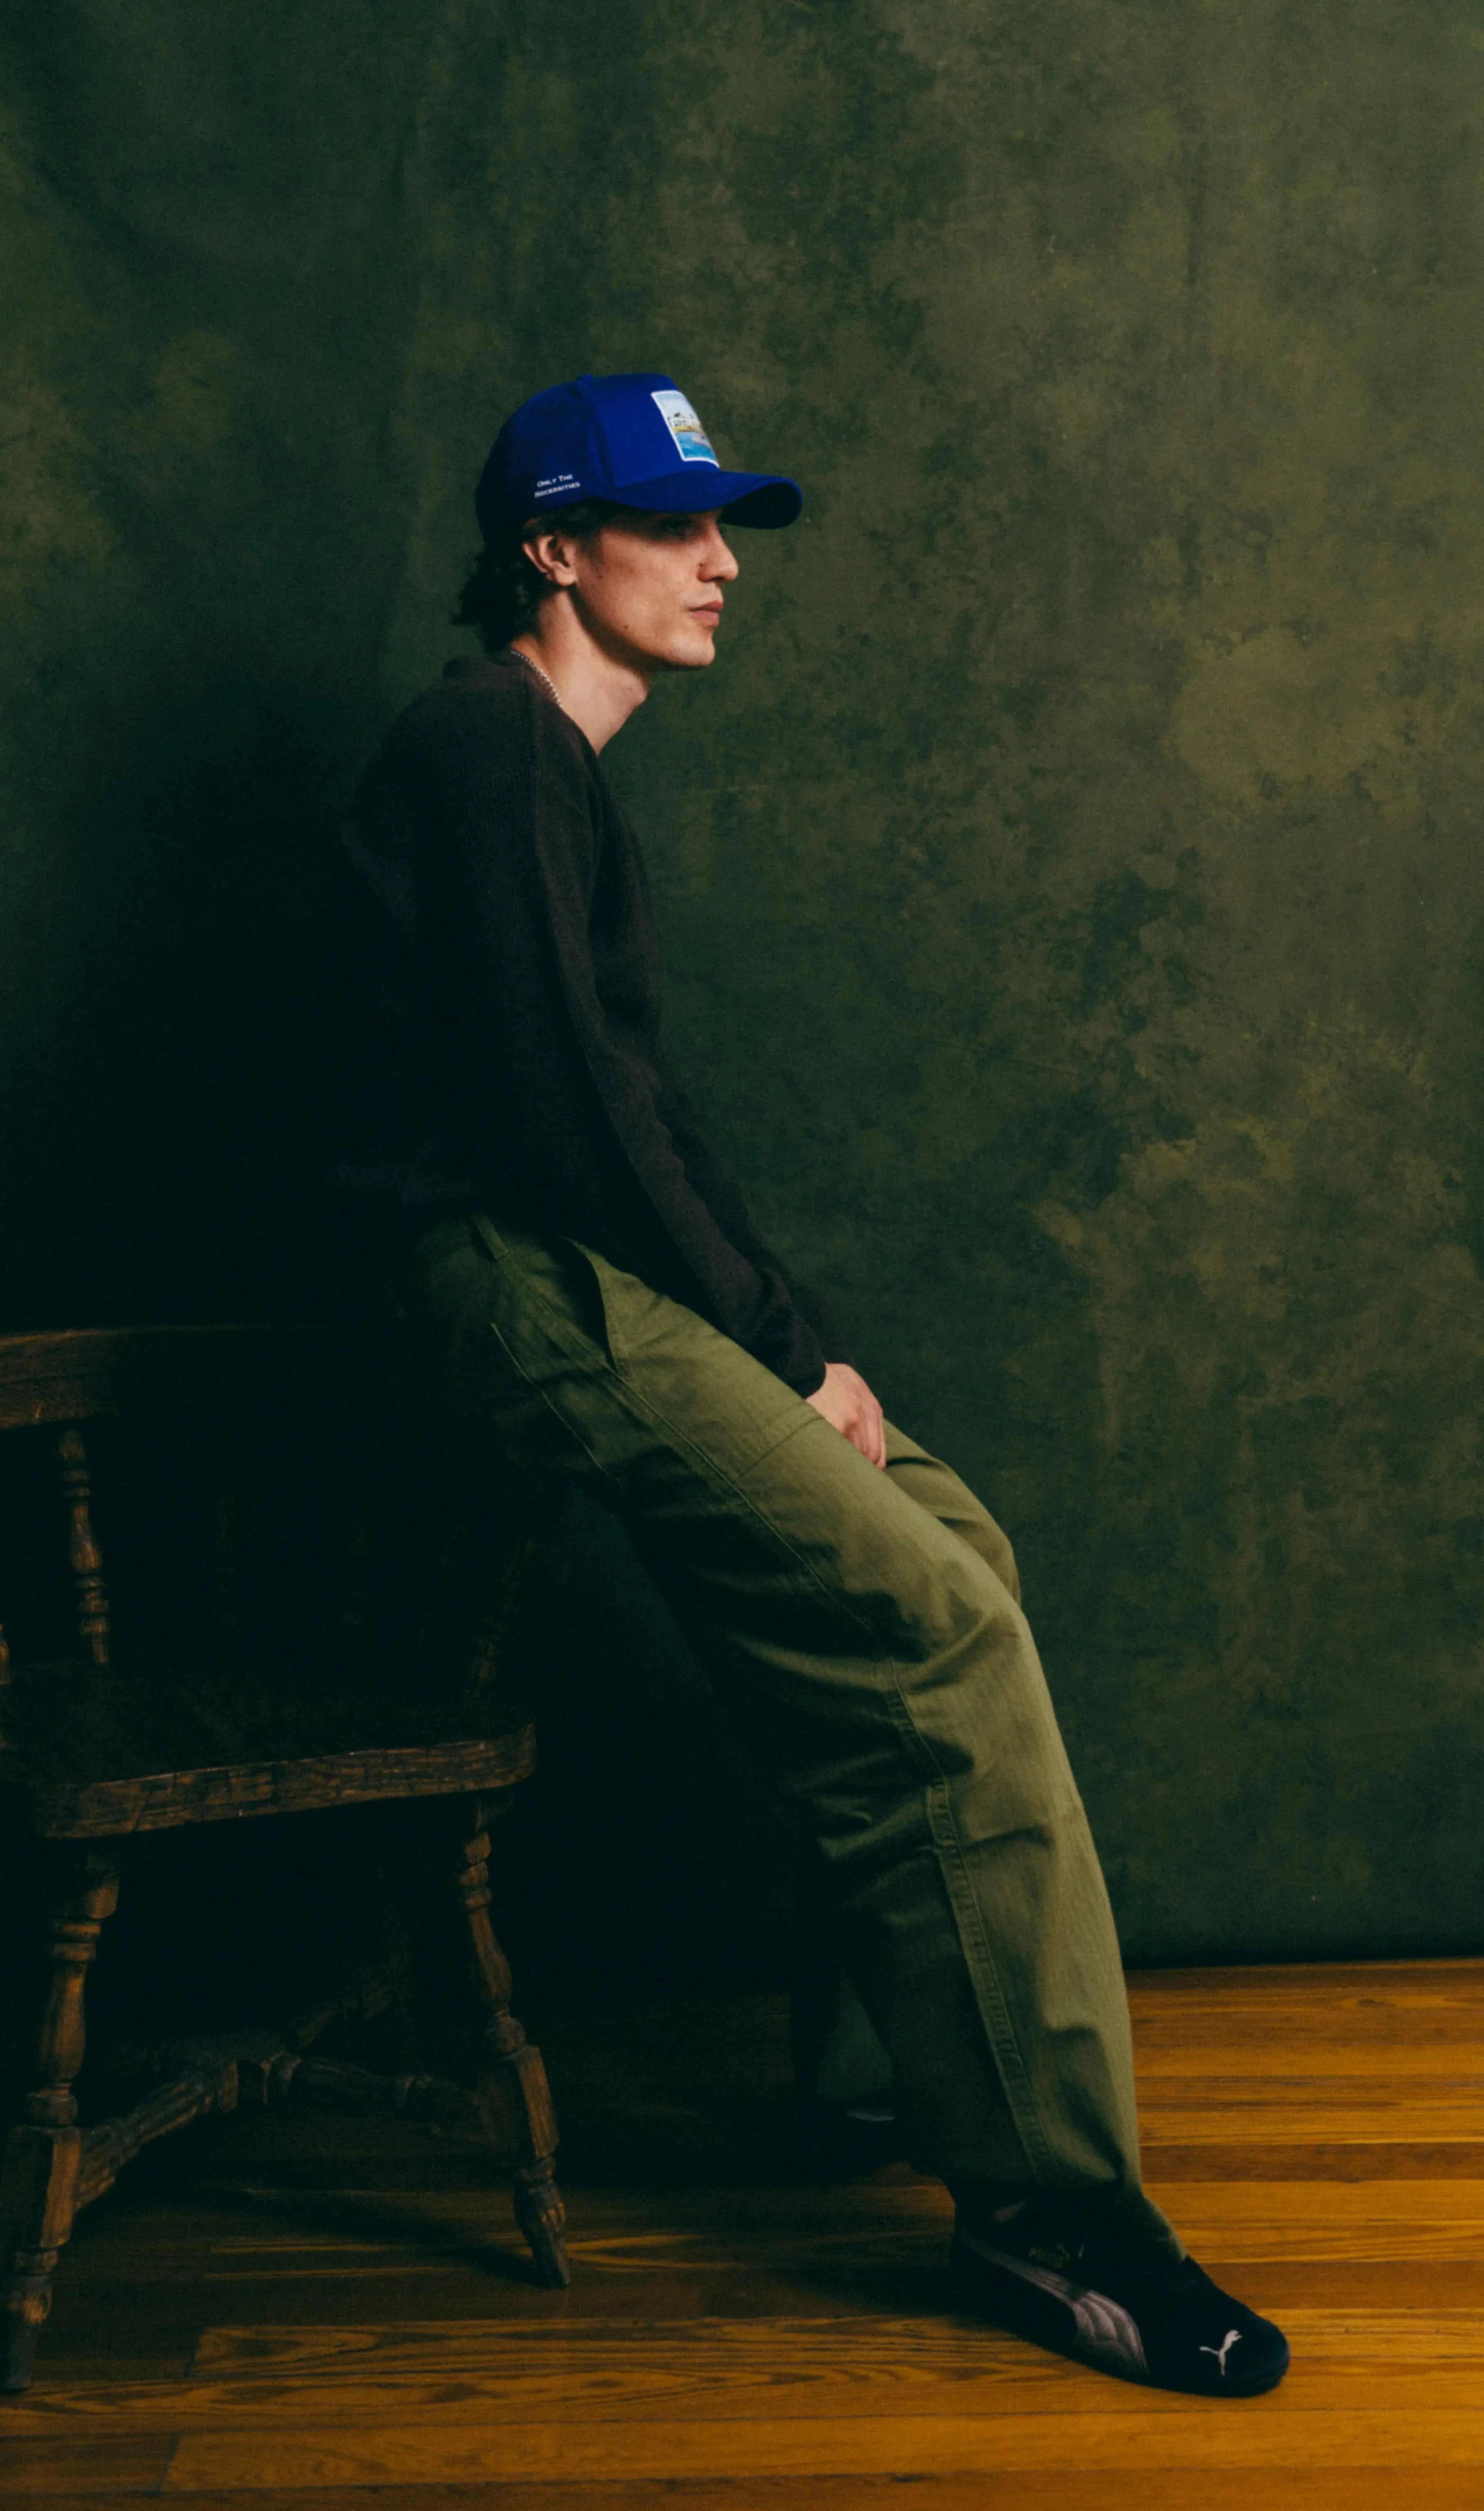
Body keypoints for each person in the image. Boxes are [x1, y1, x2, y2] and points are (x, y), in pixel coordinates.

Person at [337, 369, 1288, 2398]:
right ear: (551, 550)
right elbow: (563, 1120)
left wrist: (804, 1338)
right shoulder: (482, 734)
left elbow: (635, 1111)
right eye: (673, 528)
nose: (718, 565)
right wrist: (778, 1349)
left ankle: (880, 2069)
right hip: (507, 1280)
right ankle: (1055, 2216)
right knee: (931, 1616)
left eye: (725, 526)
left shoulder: (553, 767)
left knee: (954, 1546)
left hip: (586, 1256)